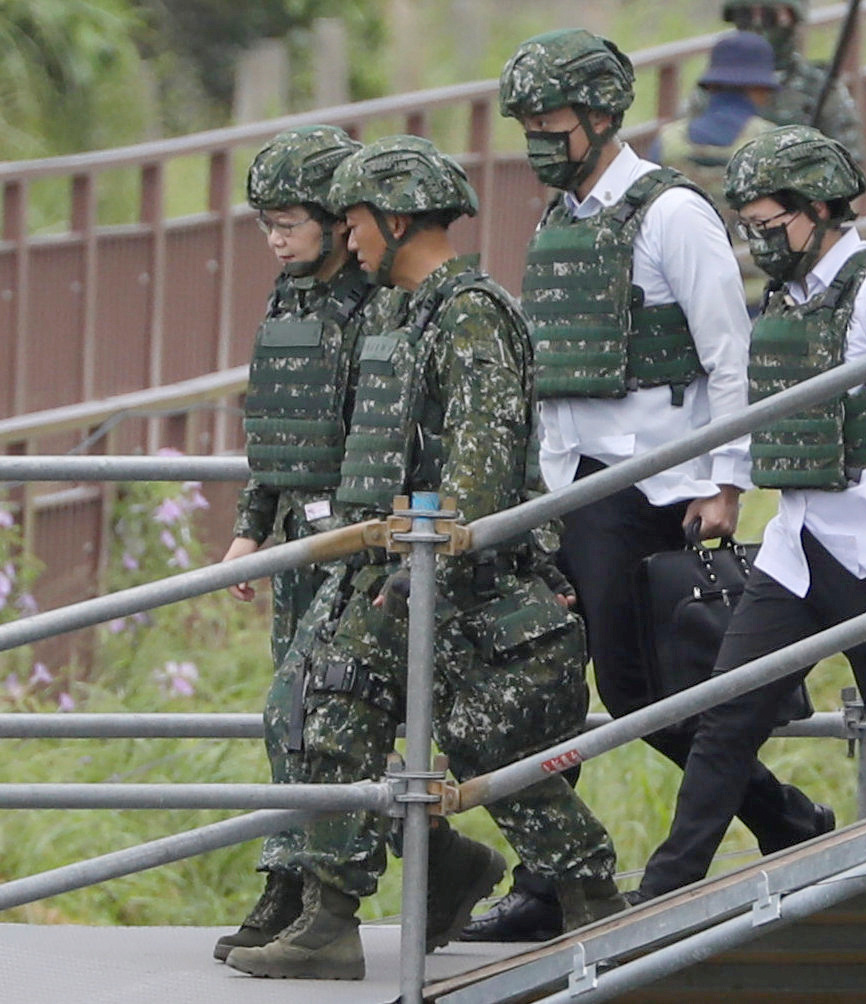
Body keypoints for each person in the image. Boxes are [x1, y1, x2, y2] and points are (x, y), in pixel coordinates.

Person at [225, 135, 625, 981]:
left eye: (356, 219)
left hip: (465, 583)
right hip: (396, 573)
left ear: (396, 219)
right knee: (320, 707)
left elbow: (475, 483)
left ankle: (593, 902)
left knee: (494, 754)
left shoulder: (471, 315)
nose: (348, 236)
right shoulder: (397, 311)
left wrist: (410, 576)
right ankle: (330, 916)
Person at [463, 28, 831, 944]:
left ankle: (778, 815)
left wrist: (726, 480)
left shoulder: (671, 213)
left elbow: (729, 355)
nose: (537, 139)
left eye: (549, 121)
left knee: (636, 692)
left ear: (598, 117)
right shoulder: (561, 221)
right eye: (525, 124)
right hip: (567, 487)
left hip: (651, 484)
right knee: (546, 683)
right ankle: (555, 880)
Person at [632, 124, 866, 900]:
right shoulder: (788, 297)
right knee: (725, 717)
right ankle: (664, 892)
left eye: (770, 226)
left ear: (819, 208)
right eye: (750, 229)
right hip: (799, 550)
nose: (760, 243)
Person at [213, 124, 402, 963]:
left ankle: (319, 897)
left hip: (356, 536)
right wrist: (250, 527)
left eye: (289, 221)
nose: (276, 239)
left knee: (306, 710)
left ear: (335, 219)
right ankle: (289, 886)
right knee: (290, 721)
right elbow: (276, 425)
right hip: (298, 535)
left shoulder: (378, 302)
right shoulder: (286, 297)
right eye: (265, 224)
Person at [689, 0, 865, 162]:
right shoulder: (713, 87)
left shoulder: (818, 88)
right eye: (744, 16)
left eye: (768, 16)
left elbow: (850, 167)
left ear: (793, 18)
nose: (756, 24)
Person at [651, 30, 781, 223]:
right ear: (760, 88)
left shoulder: (667, 140)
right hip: (747, 251)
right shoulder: (772, 141)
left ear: (710, 86)